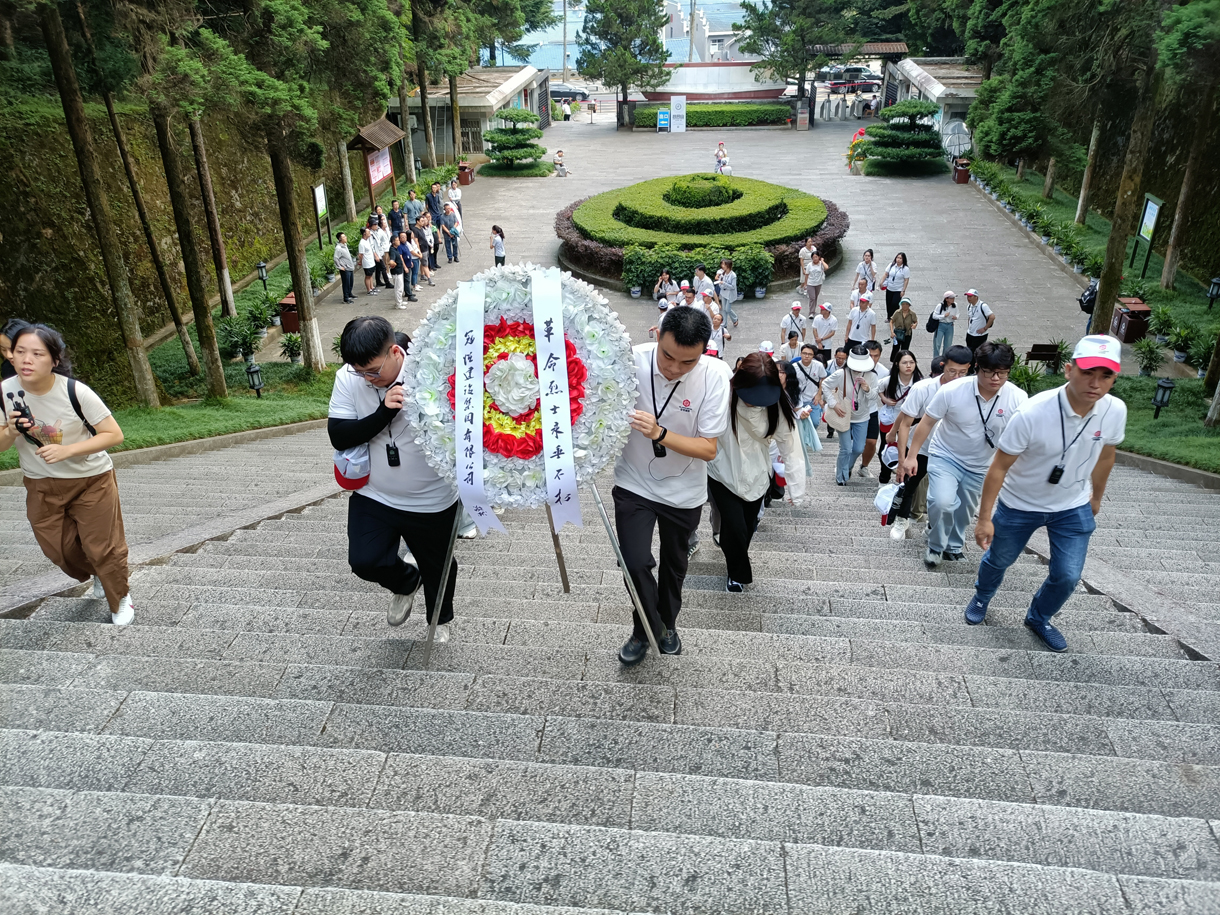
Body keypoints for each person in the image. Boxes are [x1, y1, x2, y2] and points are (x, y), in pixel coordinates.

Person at [963, 335, 1126, 652]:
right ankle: (982, 597)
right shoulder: (1032, 413)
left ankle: (1039, 617)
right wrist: (985, 518)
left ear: (1114, 378)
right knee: (999, 559)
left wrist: (1095, 498)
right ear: (1069, 370)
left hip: (1072, 504)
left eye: (1105, 375)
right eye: (1088, 372)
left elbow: (1106, 455)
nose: (1096, 383)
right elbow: (998, 467)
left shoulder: (1114, 410)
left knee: (1067, 575)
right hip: (1020, 503)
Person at [329, 316, 460, 638]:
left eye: (373, 371)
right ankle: (405, 581)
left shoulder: (433, 373)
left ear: (395, 352)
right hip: (375, 493)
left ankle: (438, 621)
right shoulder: (349, 378)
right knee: (365, 561)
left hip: (432, 498)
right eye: (360, 372)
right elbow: (340, 435)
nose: (367, 379)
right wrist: (383, 412)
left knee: (438, 566)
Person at [614, 307, 730, 665]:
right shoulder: (629, 360)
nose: (674, 368)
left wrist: (660, 433)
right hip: (633, 481)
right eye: (667, 355)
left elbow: (708, 448)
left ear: (704, 352)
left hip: (685, 492)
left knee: (674, 567)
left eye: (687, 362)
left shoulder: (715, 377)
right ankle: (645, 629)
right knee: (634, 562)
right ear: (657, 334)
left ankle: (667, 623)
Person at [1, 325, 133, 624]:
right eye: (20, 352)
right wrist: (9, 430)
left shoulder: (76, 392)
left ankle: (120, 596)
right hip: (41, 484)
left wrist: (67, 451)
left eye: (37, 354)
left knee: (103, 545)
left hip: (91, 479)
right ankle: (98, 571)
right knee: (58, 549)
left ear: (54, 359)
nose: (26, 360)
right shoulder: (5, 392)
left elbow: (114, 434)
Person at [903, 341, 1028, 568]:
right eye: (989, 372)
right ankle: (936, 545)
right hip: (946, 454)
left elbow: (1023, 438)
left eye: (1002, 373)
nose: (996, 379)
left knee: (964, 509)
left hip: (982, 463)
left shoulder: (1018, 398)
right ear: (977, 368)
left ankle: (954, 545)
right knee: (942, 502)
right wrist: (911, 456)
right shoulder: (952, 390)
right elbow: (927, 422)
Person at [708, 353, 805, 590]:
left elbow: (791, 446)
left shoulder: (776, 406)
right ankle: (737, 573)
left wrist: (796, 487)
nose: (754, 403)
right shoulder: (722, 397)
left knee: (748, 526)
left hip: (758, 474)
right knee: (735, 527)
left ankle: (733, 556)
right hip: (723, 472)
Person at [892, 347, 972, 540]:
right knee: (910, 485)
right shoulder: (923, 388)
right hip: (921, 448)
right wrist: (902, 459)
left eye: (963, 372)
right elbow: (905, 424)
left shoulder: (970, 390)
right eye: (952, 371)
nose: (957, 376)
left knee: (944, 493)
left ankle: (931, 525)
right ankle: (901, 520)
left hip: (949, 451)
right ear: (943, 365)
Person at [822, 345, 878, 485]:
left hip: (862, 416)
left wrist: (867, 389)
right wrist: (834, 404)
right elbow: (825, 385)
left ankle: (846, 467)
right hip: (844, 415)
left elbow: (874, 397)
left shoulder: (871, 376)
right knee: (845, 448)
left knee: (859, 448)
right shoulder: (842, 373)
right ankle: (841, 477)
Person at [877, 350, 921, 484]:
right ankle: (883, 479)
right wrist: (885, 399)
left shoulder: (919, 384)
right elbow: (878, 389)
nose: (908, 366)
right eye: (904, 363)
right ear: (897, 364)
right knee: (886, 449)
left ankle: (903, 480)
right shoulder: (889, 381)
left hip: (911, 422)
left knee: (907, 451)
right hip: (890, 418)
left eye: (911, 362)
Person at [856, 340, 889, 478]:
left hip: (871, 410)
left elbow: (883, 392)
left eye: (876, 356)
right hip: (854, 410)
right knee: (853, 444)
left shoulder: (884, 371)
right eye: (870, 355)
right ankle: (845, 464)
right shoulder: (854, 367)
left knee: (872, 442)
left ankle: (864, 466)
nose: (873, 359)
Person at [793, 343, 825, 461]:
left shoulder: (819, 366)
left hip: (813, 399)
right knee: (799, 422)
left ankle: (807, 436)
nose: (806, 356)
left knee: (815, 421)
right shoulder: (794, 367)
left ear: (813, 356)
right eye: (804, 353)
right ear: (800, 354)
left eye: (809, 354)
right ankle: (801, 441)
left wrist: (819, 394)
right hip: (799, 400)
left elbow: (823, 379)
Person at [881, 252, 910, 325]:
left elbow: (906, 280)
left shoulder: (905, 269)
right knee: (889, 303)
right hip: (890, 287)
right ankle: (889, 317)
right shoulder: (891, 265)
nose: (898, 260)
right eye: (897, 258)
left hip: (898, 289)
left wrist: (903, 290)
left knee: (895, 303)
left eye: (900, 258)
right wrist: (881, 282)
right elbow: (886, 274)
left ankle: (894, 317)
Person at [888, 296, 918, 363]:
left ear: (909, 305)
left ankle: (902, 361)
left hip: (907, 333)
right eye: (903, 304)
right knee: (895, 348)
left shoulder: (912, 314)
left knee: (905, 349)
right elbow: (891, 321)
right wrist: (892, 332)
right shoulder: (897, 312)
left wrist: (914, 325)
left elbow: (915, 321)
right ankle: (894, 362)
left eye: (906, 304)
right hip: (898, 333)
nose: (904, 306)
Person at [931, 291, 958, 359]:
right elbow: (934, 316)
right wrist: (943, 316)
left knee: (948, 344)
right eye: (951, 298)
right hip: (941, 325)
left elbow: (958, 313)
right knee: (937, 344)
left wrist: (956, 317)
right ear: (946, 299)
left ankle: (945, 359)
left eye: (953, 298)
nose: (953, 299)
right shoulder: (940, 306)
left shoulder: (955, 305)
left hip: (950, 325)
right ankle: (936, 359)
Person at [411, 216, 435, 287]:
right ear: (417, 221)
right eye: (421, 221)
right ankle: (429, 279)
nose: (423, 222)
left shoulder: (421, 228)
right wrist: (419, 251)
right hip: (421, 249)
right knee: (425, 265)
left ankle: (422, 275)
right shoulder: (415, 230)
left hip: (425, 248)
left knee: (423, 263)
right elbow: (416, 241)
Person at [802, 246, 827, 314]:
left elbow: (826, 267)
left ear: (819, 257)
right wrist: (805, 284)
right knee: (812, 298)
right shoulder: (809, 265)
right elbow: (807, 275)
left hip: (818, 283)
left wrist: (822, 261)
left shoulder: (821, 264)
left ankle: (813, 309)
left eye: (816, 257)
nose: (815, 259)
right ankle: (811, 312)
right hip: (810, 283)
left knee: (815, 297)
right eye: (813, 257)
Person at [334, 233, 356, 304]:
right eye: (343, 237)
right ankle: (346, 298)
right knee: (346, 283)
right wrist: (340, 267)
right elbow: (336, 258)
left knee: (350, 282)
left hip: (350, 268)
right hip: (345, 269)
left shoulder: (345, 245)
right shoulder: (338, 248)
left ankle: (350, 293)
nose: (345, 237)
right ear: (340, 239)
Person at [716, 259, 739, 327]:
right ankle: (724, 323)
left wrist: (724, 283)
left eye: (724, 264)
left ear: (728, 265)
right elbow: (720, 282)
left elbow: (733, 287)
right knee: (724, 309)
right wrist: (720, 284)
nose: (722, 266)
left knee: (727, 309)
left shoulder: (733, 275)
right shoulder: (722, 273)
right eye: (722, 264)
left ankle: (735, 318)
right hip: (723, 292)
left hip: (730, 294)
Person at [358, 227, 379, 296]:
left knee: (371, 275)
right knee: (368, 276)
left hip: (371, 261)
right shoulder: (362, 243)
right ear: (364, 233)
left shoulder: (367, 240)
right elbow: (361, 254)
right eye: (368, 232)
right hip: (367, 262)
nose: (369, 233)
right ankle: (368, 290)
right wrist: (360, 262)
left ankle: (372, 287)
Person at [374, 216, 393, 290]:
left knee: (380, 267)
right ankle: (387, 278)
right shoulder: (379, 232)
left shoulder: (386, 230)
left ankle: (379, 280)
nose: (386, 224)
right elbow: (378, 242)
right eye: (384, 223)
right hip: (382, 250)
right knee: (384, 264)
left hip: (386, 247)